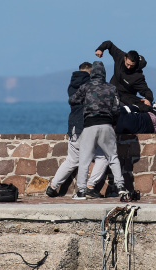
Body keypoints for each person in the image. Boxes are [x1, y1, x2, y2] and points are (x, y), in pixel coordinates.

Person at [46, 62, 107, 198]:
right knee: (103, 156)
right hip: (86, 125)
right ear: (90, 72)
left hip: (73, 125)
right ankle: (89, 186)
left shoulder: (71, 86)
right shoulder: (90, 86)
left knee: (72, 160)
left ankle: (53, 186)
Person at [70, 61, 128, 199]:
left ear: (92, 73)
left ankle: (82, 191)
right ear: (104, 73)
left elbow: (73, 100)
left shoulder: (85, 87)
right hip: (107, 126)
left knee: (84, 159)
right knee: (113, 157)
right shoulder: (112, 88)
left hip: (90, 125)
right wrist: (113, 122)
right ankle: (121, 186)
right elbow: (116, 109)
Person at [95, 40, 156, 113]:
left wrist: (148, 99)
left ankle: (155, 108)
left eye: (132, 65)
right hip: (112, 89)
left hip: (126, 95)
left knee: (139, 104)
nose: (129, 67)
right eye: (127, 64)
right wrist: (100, 49)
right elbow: (109, 43)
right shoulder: (120, 56)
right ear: (125, 58)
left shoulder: (137, 76)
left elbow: (146, 90)